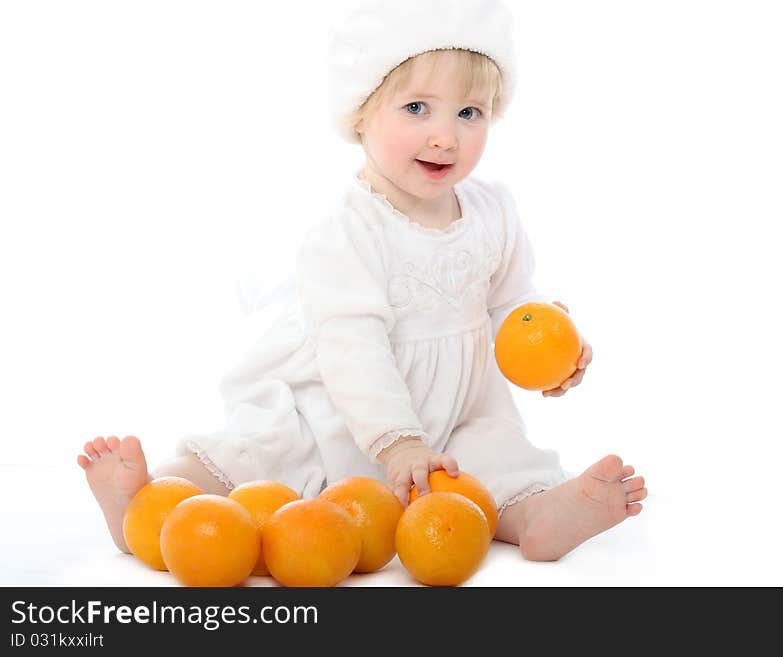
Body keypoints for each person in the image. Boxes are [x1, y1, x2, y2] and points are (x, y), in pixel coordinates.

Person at [77, 0, 646, 563]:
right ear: (360, 113)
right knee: (262, 462)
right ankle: (145, 502)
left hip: (459, 406)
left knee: (496, 456)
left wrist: (553, 344)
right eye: (417, 107)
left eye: (469, 113)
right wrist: (397, 441)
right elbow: (351, 345)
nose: (445, 136)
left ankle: (540, 514)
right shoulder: (347, 228)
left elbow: (513, 301)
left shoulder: (493, 209)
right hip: (342, 404)